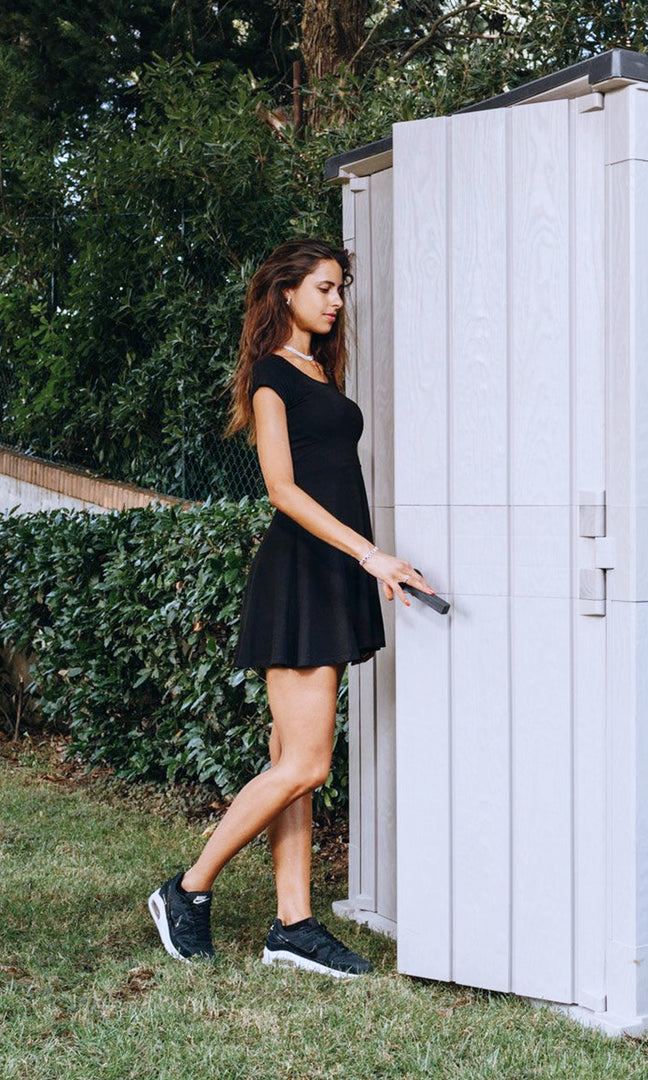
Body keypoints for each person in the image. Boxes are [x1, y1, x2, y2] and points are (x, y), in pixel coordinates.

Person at [149, 238, 432, 978]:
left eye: (341, 289)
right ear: (285, 293)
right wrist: (369, 552)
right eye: (325, 287)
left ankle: (293, 924)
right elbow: (281, 487)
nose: (338, 301)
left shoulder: (318, 372)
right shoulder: (272, 376)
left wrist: (361, 557)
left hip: (327, 574)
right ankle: (185, 889)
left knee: (290, 759)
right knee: (304, 765)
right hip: (301, 574)